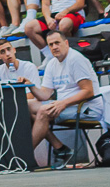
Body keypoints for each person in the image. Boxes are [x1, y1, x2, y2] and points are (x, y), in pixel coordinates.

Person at [29, 28, 103, 166]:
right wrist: (30, 86)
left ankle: (24, 155)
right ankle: (60, 148)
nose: (54, 47)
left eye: (57, 43)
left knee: (43, 112)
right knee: (26, 106)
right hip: (65, 106)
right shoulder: (52, 63)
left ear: (66, 43)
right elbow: (45, 94)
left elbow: (88, 91)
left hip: (87, 108)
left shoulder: (76, 59)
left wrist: (62, 104)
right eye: (51, 45)